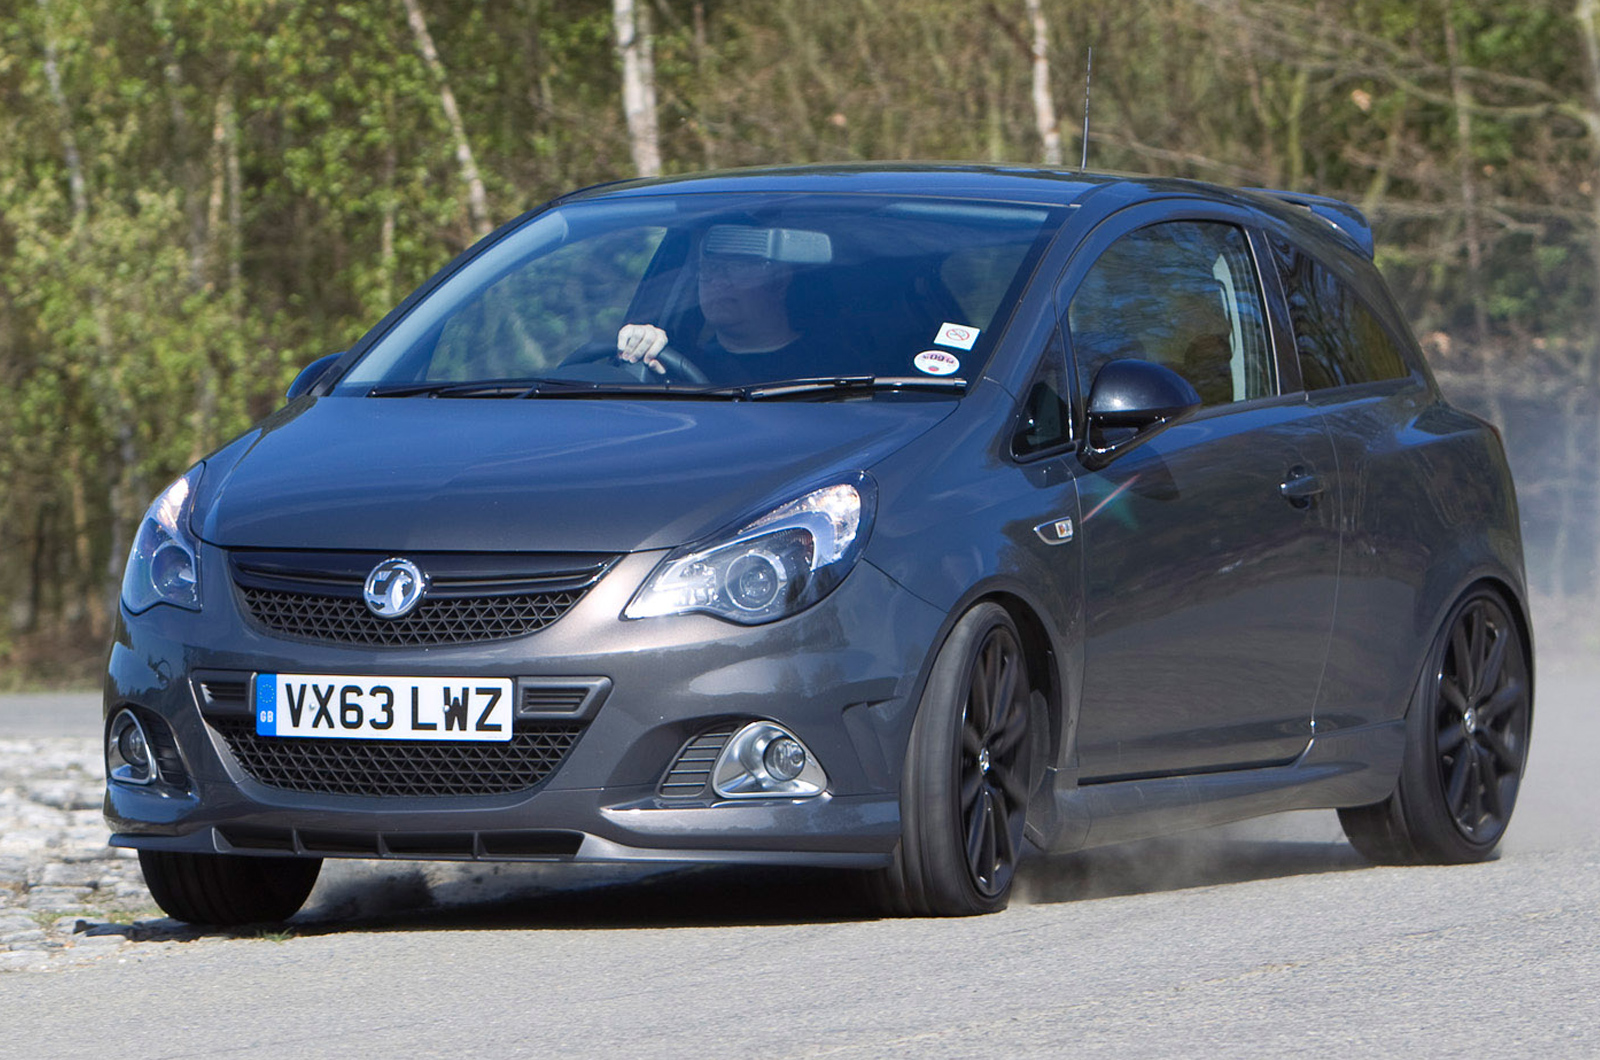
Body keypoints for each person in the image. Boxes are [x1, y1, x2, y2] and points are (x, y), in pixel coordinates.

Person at [615, 227, 826, 383]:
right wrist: (640, 344)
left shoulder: (836, 364)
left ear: (780, 282)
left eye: (737, 267)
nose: (718, 280)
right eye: (709, 268)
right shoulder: (674, 362)